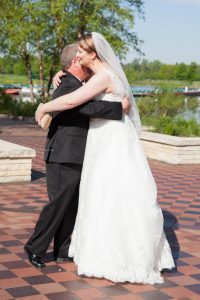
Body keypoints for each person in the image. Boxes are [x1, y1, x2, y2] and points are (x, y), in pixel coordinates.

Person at [35, 32, 175, 284]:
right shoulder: (109, 75)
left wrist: (44, 106)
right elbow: (78, 93)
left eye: (81, 51)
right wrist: (62, 74)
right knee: (110, 192)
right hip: (110, 138)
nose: (77, 55)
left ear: (93, 54)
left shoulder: (101, 77)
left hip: (108, 139)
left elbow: (74, 102)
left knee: (105, 192)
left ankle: (111, 253)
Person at [24, 43, 130, 269]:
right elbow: (85, 109)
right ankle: (35, 247)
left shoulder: (74, 82)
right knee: (58, 203)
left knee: (70, 204)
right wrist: (118, 108)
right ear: (74, 62)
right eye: (80, 57)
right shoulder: (66, 85)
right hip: (64, 153)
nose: (86, 63)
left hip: (75, 153)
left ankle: (62, 250)